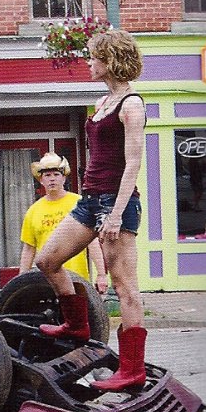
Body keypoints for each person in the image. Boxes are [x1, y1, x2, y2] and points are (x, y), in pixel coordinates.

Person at [35, 30, 146, 391]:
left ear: (111, 59)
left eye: (94, 56)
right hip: (90, 200)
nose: (88, 62)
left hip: (117, 203)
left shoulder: (131, 104)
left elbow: (133, 164)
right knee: (47, 260)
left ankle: (132, 370)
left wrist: (115, 215)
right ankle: (77, 324)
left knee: (125, 287)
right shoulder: (103, 102)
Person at [19, 152, 108, 294]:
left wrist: (101, 274)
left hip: (78, 280)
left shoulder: (79, 204)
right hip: (47, 282)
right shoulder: (33, 211)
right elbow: (29, 249)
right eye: (47, 176)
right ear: (41, 180)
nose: (52, 179)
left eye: (56, 174)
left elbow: (92, 242)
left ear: (64, 178)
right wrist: (20, 282)